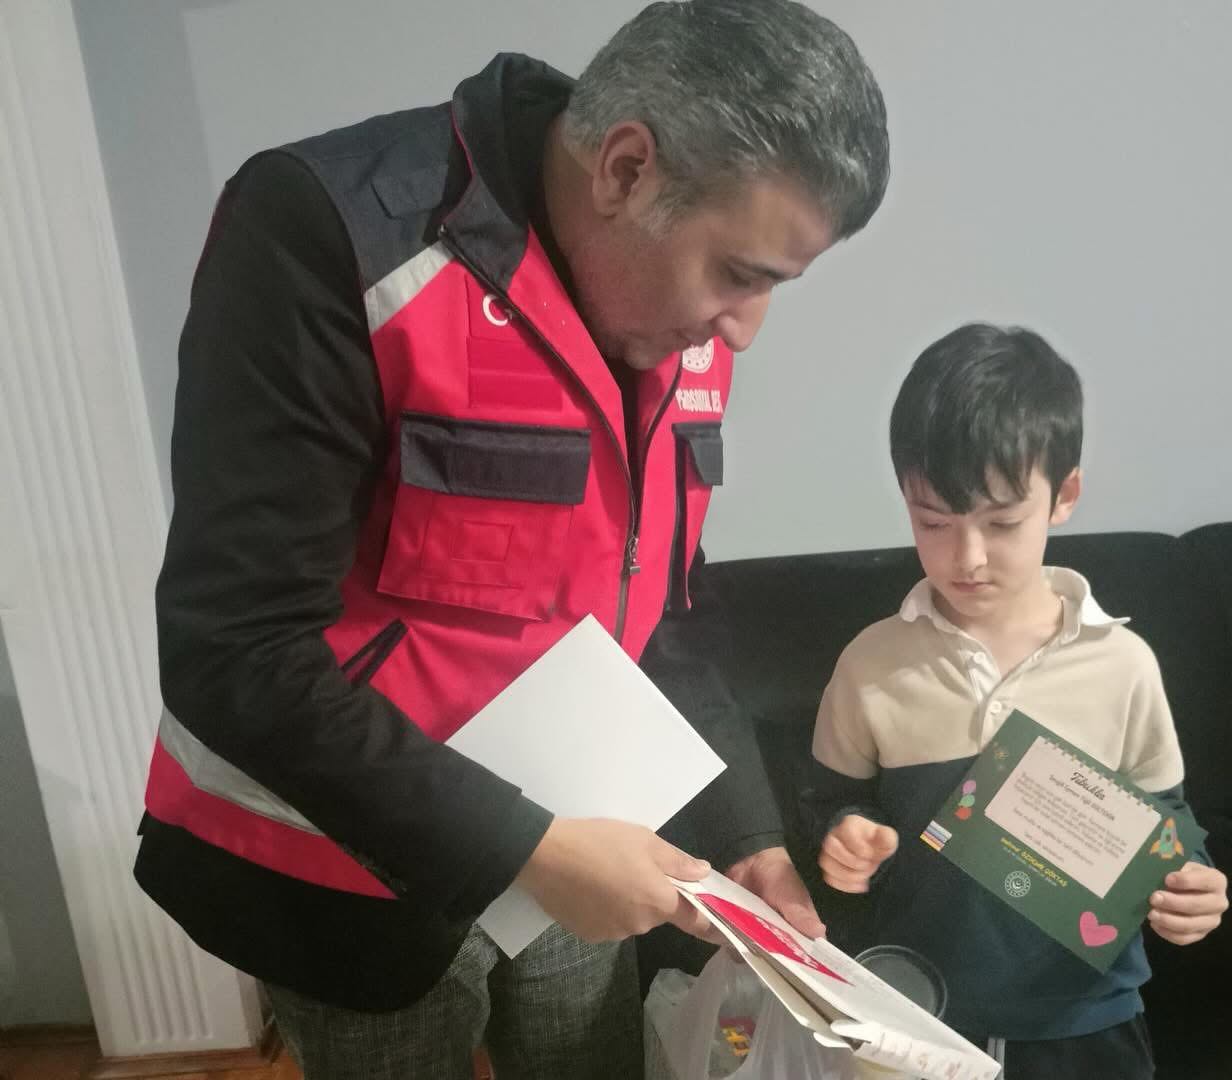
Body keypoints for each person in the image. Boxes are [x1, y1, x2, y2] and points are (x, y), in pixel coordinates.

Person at [132, 3, 889, 1077]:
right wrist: (527, 847)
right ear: (626, 170)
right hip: (347, 873)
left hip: (580, 842)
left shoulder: (676, 319)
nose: (745, 328)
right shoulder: (332, 232)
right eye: (741, 272)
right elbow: (235, 650)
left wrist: (748, 835)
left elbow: (665, 606)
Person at [807, 324, 1228, 1079]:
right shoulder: (871, 664)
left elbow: (1167, 822)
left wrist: (1191, 884)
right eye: (933, 522)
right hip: (917, 1014)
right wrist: (845, 837)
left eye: (1002, 523)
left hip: (1086, 1022)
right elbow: (828, 803)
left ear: (1064, 495)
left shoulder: (1122, 666)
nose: (966, 557)